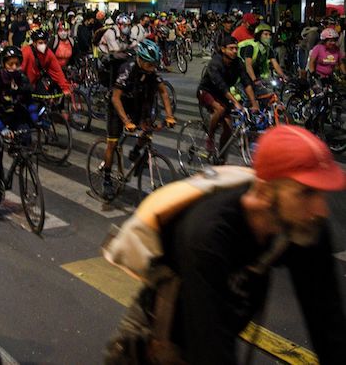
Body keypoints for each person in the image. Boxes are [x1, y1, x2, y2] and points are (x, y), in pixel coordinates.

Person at [155, 125, 346, 364]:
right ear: (265, 193)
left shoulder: (305, 223)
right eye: (306, 193)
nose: (321, 209)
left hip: (218, 332)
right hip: (162, 343)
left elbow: (328, 323)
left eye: (321, 194)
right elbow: (210, 350)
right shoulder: (207, 235)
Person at [101, 40, 175, 200]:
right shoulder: (127, 69)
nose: (152, 68)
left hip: (136, 103)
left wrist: (169, 116)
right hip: (117, 106)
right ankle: (106, 180)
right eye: (149, 64)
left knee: (147, 130)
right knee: (112, 143)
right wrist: (126, 121)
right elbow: (115, 98)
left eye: (154, 65)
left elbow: (163, 92)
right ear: (140, 59)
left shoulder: (151, 72)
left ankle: (135, 152)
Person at [0, 46, 39, 212]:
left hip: (14, 116)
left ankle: (21, 163)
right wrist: (2, 129)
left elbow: (29, 102)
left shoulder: (22, 78)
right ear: (3, 64)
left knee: (26, 141)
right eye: (10, 64)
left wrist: (35, 120)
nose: (14, 67)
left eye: (17, 64)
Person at [197, 35, 259, 154]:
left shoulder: (237, 63)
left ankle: (220, 156)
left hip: (222, 95)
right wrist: (235, 103)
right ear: (223, 49)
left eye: (236, 48)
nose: (235, 51)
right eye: (231, 48)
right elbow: (221, 85)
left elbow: (246, 82)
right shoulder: (215, 62)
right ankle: (210, 137)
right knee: (220, 109)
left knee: (229, 129)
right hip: (207, 91)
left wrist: (254, 103)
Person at [20, 29, 71, 96]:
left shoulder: (48, 53)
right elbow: (19, 70)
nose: (43, 45)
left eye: (45, 42)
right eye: (40, 43)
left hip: (36, 82)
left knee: (46, 99)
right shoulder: (26, 52)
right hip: (24, 84)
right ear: (34, 43)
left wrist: (65, 88)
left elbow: (57, 71)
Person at [239, 24, 288, 88]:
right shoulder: (251, 47)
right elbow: (248, 66)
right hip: (242, 72)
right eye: (265, 34)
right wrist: (255, 80)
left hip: (256, 72)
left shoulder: (268, 48)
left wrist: (283, 76)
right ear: (259, 35)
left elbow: (275, 64)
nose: (268, 37)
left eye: (270, 35)